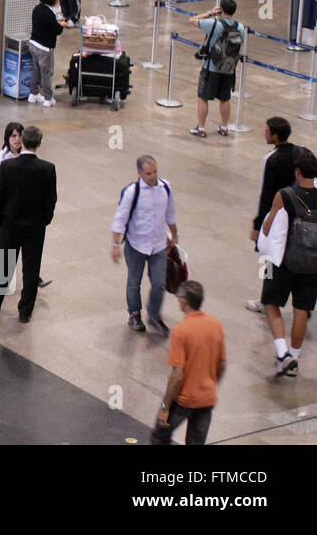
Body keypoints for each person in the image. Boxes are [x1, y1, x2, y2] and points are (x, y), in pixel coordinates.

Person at [0, 125, 56, 323]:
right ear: (39, 143)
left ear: (24, 142)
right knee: (31, 269)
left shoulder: (8, 167)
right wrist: (44, 220)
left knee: (4, 264)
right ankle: (25, 312)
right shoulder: (47, 168)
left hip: (10, 226)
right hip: (35, 228)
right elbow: (51, 199)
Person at [259, 147, 317, 378]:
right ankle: (295, 356)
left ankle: (283, 354)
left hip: (280, 261)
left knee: (270, 303)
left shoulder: (284, 195)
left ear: (298, 172)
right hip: (313, 264)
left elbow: (267, 227)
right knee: (302, 309)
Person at [151, 281, 225, 445]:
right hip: (207, 398)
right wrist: (211, 385)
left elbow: (177, 376)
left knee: (159, 436)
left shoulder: (181, 331)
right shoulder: (215, 324)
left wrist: (165, 406)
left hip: (185, 400)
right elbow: (222, 364)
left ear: (183, 301)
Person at [111, 155, 177, 336]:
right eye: (148, 173)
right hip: (136, 245)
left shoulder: (165, 188)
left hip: (158, 245)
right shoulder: (133, 192)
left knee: (159, 282)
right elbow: (120, 219)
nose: (153, 176)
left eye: (155, 172)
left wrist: (174, 235)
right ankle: (134, 313)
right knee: (134, 282)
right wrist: (115, 244)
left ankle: (154, 314)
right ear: (139, 173)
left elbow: (170, 213)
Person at [248, 118, 306, 314]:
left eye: (266, 131)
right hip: (300, 217)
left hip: (275, 218)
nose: (263, 133)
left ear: (275, 136)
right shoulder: (303, 153)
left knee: (266, 258)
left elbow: (266, 194)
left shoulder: (271, 159)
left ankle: (266, 299)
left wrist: (258, 225)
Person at [188, 0, 241, 138]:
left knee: (203, 97)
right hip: (229, 69)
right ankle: (224, 127)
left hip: (211, 67)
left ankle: (202, 128)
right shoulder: (240, 27)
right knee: (225, 98)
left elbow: (192, 20)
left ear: (221, 9)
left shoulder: (214, 24)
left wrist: (210, 14)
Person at [28, 0, 65, 106]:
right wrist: (61, 25)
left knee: (36, 70)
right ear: (53, 0)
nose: (59, 2)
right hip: (44, 48)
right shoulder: (49, 14)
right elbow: (57, 30)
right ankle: (48, 99)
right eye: (58, 0)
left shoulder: (37, 9)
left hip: (33, 44)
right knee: (47, 73)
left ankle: (33, 94)